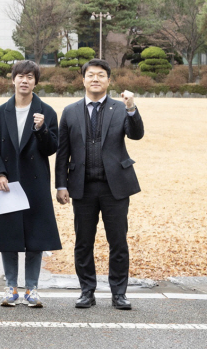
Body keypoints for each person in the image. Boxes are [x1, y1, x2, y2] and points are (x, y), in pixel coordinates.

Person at [55, 59, 144, 311]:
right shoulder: (70, 111)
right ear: (82, 80)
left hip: (114, 186)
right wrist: (61, 184)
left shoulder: (119, 107)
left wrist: (131, 107)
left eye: (101, 75)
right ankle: (87, 290)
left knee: (118, 241)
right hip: (82, 186)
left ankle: (119, 293)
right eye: (91, 75)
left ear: (108, 81)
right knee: (83, 241)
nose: (95, 79)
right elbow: (63, 153)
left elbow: (136, 134)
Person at [0, 60, 61, 309]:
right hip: (8, 182)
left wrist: (41, 129)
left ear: (36, 81)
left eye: (30, 76)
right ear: (13, 79)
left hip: (35, 181)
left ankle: (32, 288)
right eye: (21, 76)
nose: (25, 80)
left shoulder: (46, 112)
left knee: (35, 237)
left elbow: (51, 148)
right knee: (9, 236)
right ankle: (10, 287)